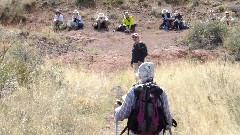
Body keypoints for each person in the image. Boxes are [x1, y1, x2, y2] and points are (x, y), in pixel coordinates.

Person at [114, 62, 173, 135]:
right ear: (153, 75)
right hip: (156, 131)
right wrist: (169, 124)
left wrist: (116, 111)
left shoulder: (133, 91)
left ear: (139, 75)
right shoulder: (160, 91)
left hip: (136, 132)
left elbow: (122, 114)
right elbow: (167, 113)